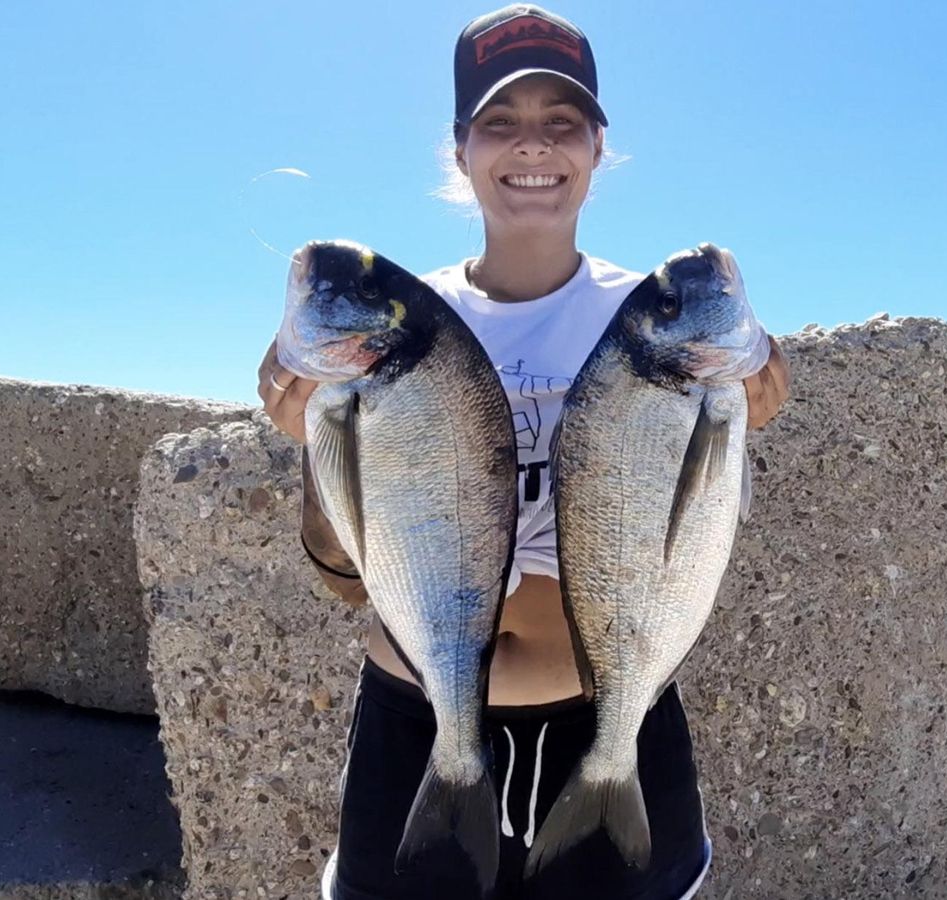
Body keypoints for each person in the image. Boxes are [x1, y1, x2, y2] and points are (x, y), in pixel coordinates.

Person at [256, 5, 791, 897]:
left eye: (562, 121)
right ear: (460, 148)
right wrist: (318, 449)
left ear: (597, 147)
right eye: (499, 121)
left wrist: (735, 426)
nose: (532, 144)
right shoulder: (406, 324)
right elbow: (347, 578)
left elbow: (698, 537)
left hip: (613, 719)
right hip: (415, 717)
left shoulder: (652, 318)